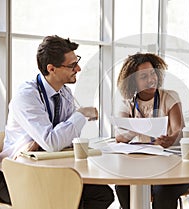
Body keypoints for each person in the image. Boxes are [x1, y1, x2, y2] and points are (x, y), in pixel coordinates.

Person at [0, 35, 114, 209]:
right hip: (15, 174)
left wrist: (49, 140)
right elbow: (54, 143)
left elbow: (65, 139)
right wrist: (81, 114)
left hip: (48, 167)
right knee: (71, 198)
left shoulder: (64, 94)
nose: (79, 68)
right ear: (51, 68)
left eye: (77, 62)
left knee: (103, 194)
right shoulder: (27, 96)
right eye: (72, 65)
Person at [115, 52, 189, 209]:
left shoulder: (169, 96)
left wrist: (170, 139)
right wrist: (135, 128)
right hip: (143, 166)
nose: (151, 79)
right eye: (143, 77)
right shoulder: (127, 103)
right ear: (133, 82)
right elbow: (119, 137)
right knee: (122, 186)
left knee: (162, 190)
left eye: (152, 73)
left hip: (174, 166)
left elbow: (179, 129)